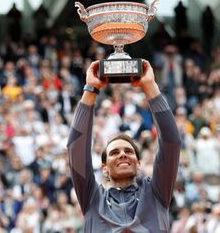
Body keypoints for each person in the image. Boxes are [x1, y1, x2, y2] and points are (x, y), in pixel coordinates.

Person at [67, 60, 181, 232]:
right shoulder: (92, 199)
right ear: (104, 168)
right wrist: (90, 89)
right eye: (114, 153)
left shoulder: (156, 193)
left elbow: (171, 142)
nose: (122, 154)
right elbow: (76, 148)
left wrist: (150, 86)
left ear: (138, 163)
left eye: (128, 151)